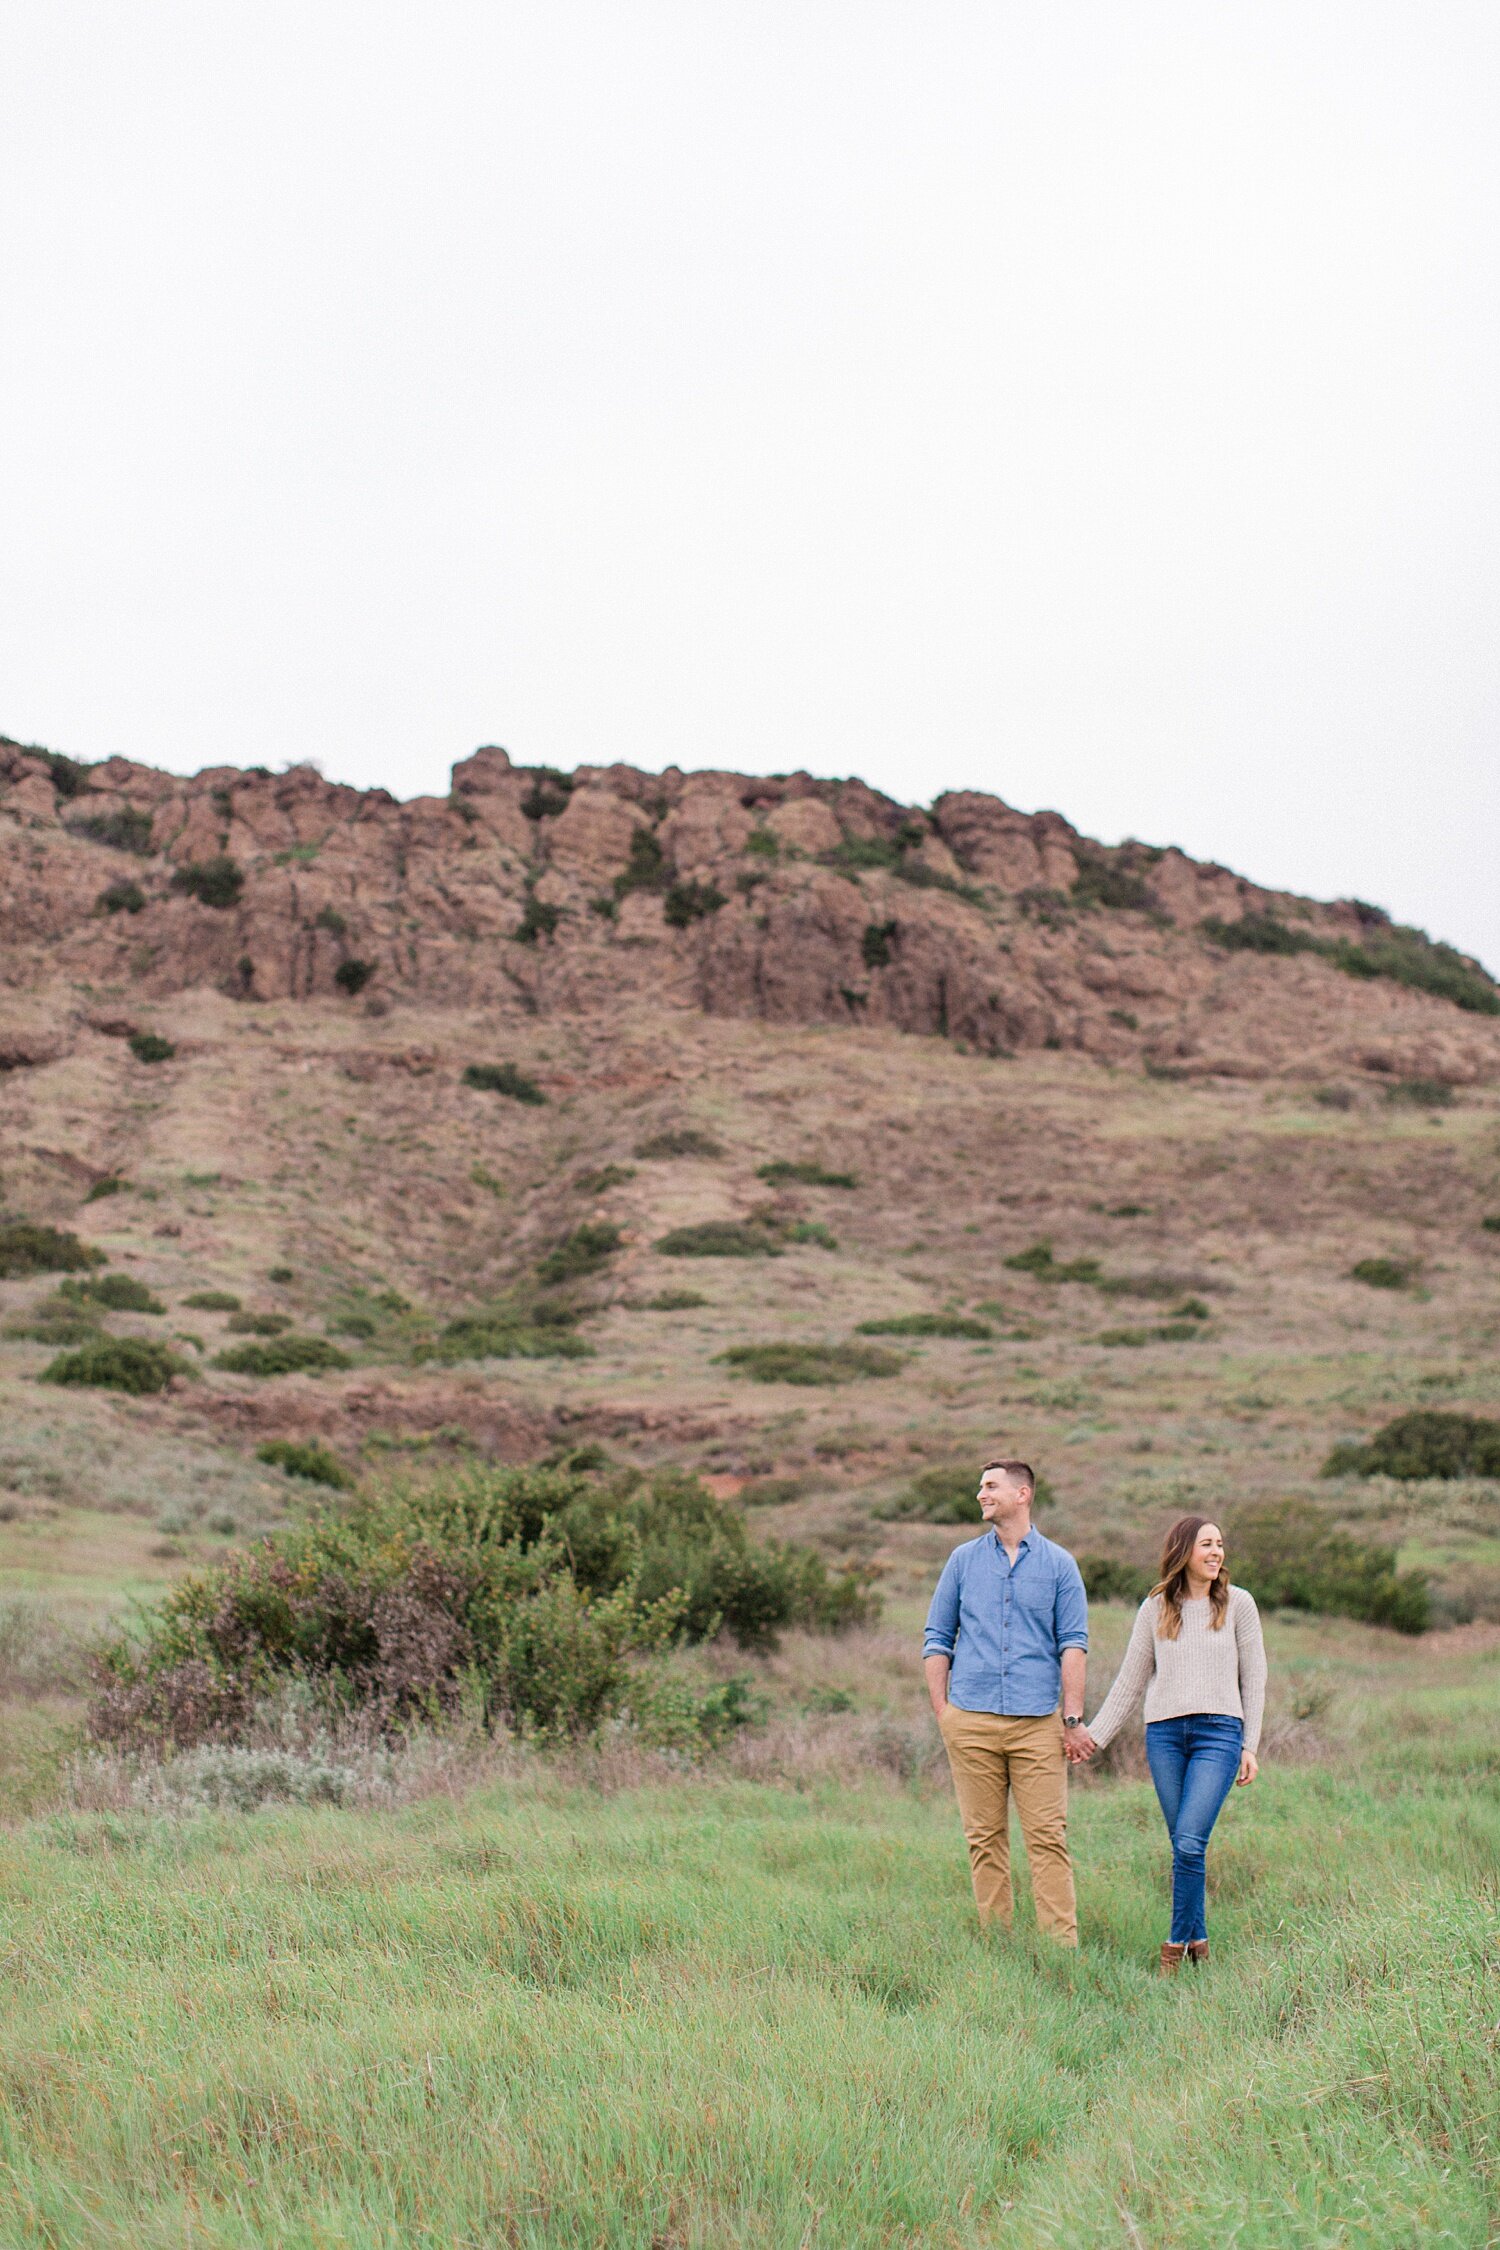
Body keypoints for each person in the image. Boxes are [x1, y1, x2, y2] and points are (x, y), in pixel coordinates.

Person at [1073, 1515, 1266, 1972]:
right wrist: (1094, 1737)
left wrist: (1250, 1744)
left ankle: (1174, 1947)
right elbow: (1130, 1680)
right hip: (1164, 1736)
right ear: (1183, 1551)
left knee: (1190, 1841)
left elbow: (1255, 1677)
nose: (1216, 1552)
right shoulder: (1156, 1607)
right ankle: (1199, 1939)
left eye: (1220, 1544)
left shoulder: (1240, 1604)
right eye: (1206, 1544)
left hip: (1219, 1735)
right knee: (1184, 1845)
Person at [922, 1459, 1091, 1946]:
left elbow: (1073, 1644)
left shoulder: (1059, 1564)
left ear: (1023, 1494)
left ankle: (1061, 1953)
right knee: (984, 1841)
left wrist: (1072, 1718)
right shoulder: (962, 1561)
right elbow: (937, 1637)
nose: (981, 1494)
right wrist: (944, 1713)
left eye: (990, 1486)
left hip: (1037, 1724)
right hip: (969, 1721)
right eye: (980, 1486)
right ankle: (999, 1948)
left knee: (1048, 1841)